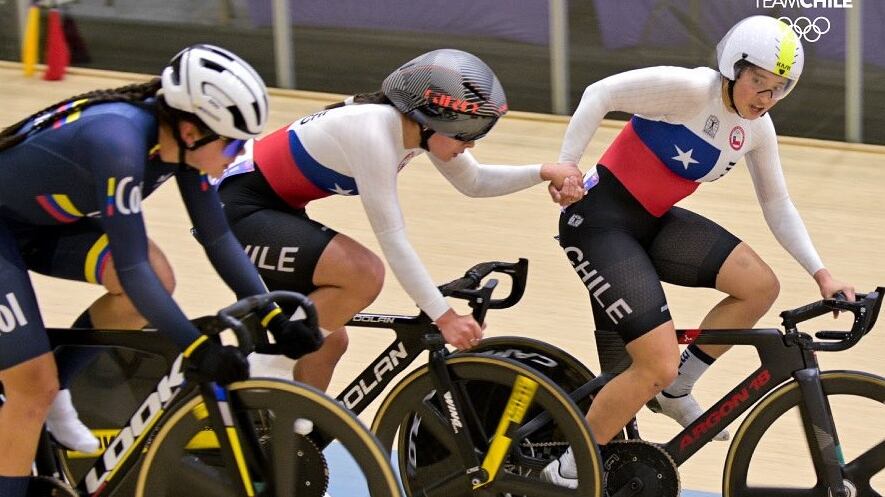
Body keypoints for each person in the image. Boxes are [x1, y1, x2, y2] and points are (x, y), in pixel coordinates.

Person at [540, 16, 855, 487]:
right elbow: (599, 93)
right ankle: (565, 473)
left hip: (652, 222)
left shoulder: (757, 129)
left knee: (759, 287)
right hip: (599, 222)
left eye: (778, 88)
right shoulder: (690, 89)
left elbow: (777, 203)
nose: (765, 98)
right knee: (655, 362)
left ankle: (678, 387)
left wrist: (822, 275)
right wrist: (567, 164)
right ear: (733, 68)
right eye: (757, 83)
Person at [0, 44, 322, 497]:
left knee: (159, 274)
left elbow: (218, 237)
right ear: (191, 130)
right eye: (232, 142)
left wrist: (273, 316)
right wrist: (195, 348)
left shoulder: (180, 143)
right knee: (31, 388)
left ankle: (60, 391)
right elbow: (129, 268)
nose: (237, 154)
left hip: (32, 223)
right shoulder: (117, 141)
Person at [216, 48, 583, 391]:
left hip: (272, 208)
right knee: (362, 274)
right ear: (429, 119)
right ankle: (267, 367)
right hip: (237, 210)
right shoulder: (373, 133)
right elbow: (392, 239)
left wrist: (543, 171)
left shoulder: (413, 131)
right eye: (467, 132)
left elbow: (474, 182)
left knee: (328, 342)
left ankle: (288, 446)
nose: (471, 144)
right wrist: (444, 317)